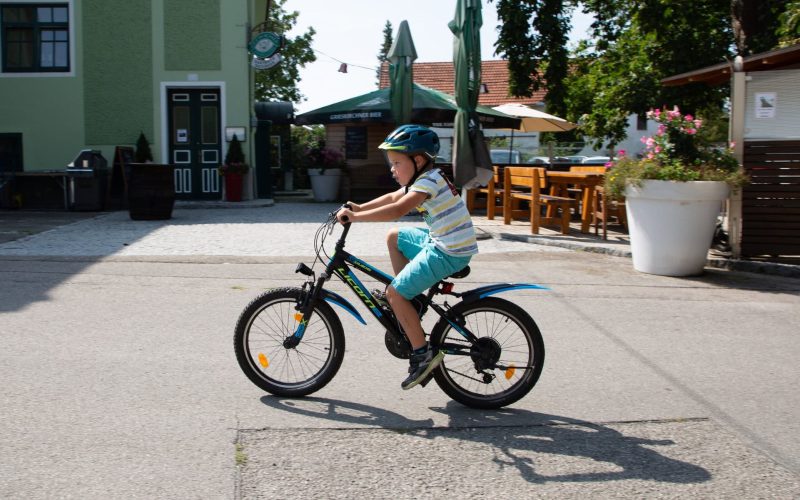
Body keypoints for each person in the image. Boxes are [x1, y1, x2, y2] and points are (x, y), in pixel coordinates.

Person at [336, 124, 478, 389]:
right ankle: (410, 301)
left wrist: (355, 217)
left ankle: (422, 353)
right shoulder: (425, 178)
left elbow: (397, 209)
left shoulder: (428, 182)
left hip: (449, 252)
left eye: (397, 163)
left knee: (395, 293)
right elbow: (393, 196)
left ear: (418, 160)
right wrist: (360, 206)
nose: (392, 169)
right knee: (394, 237)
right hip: (443, 242)